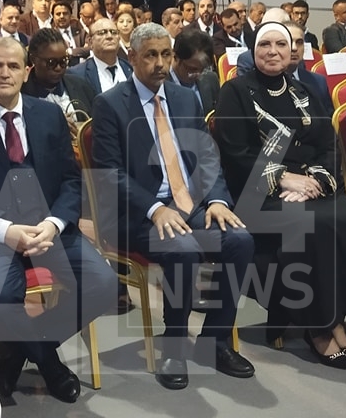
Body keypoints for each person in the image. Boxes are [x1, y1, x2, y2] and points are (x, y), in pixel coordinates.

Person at [0, 37, 115, 404]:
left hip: (48, 230)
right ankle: (49, 362)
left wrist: (54, 223)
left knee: (103, 284)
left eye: (13, 66)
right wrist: (6, 231)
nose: (4, 73)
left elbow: (70, 181)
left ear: (26, 71)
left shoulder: (48, 115)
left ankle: (17, 354)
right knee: (2, 295)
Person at [215, 22, 346, 366]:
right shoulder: (235, 91)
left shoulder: (303, 90)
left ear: (291, 50)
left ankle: (340, 316)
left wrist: (314, 181)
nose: (273, 51)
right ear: (253, 50)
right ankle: (320, 328)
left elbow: (328, 146)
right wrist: (283, 179)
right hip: (256, 192)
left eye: (281, 44)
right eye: (264, 44)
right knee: (313, 226)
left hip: (309, 185)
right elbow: (235, 153)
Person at [91, 23, 255, 390]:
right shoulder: (110, 104)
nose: (160, 63)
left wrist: (216, 199)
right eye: (151, 55)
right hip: (136, 213)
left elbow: (207, 157)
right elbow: (109, 173)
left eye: (166, 54)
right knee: (183, 249)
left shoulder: (184, 98)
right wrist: (154, 209)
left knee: (240, 240)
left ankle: (214, 342)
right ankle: (175, 345)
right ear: (132, 57)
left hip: (189, 203)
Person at [21, 28, 96, 126]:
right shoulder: (21, 93)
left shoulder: (81, 86)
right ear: (33, 59)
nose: (58, 68)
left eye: (63, 61)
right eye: (51, 62)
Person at [71, 18, 131, 94]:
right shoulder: (77, 75)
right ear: (90, 41)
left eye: (114, 32)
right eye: (102, 33)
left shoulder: (131, 69)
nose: (109, 36)